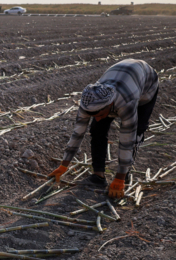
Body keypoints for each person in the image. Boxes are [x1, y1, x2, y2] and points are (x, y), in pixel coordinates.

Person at [48, 59, 159, 199]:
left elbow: (127, 140)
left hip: (145, 84)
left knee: (137, 131)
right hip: (122, 77)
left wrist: (119, 177)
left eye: (100, 114)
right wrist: (64, 165)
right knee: (97, 128)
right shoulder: (89, 102)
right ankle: (98, 176)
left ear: (110, 104)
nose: (98, 117)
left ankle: (125, 176)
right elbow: (77, 133)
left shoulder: (126, 102)